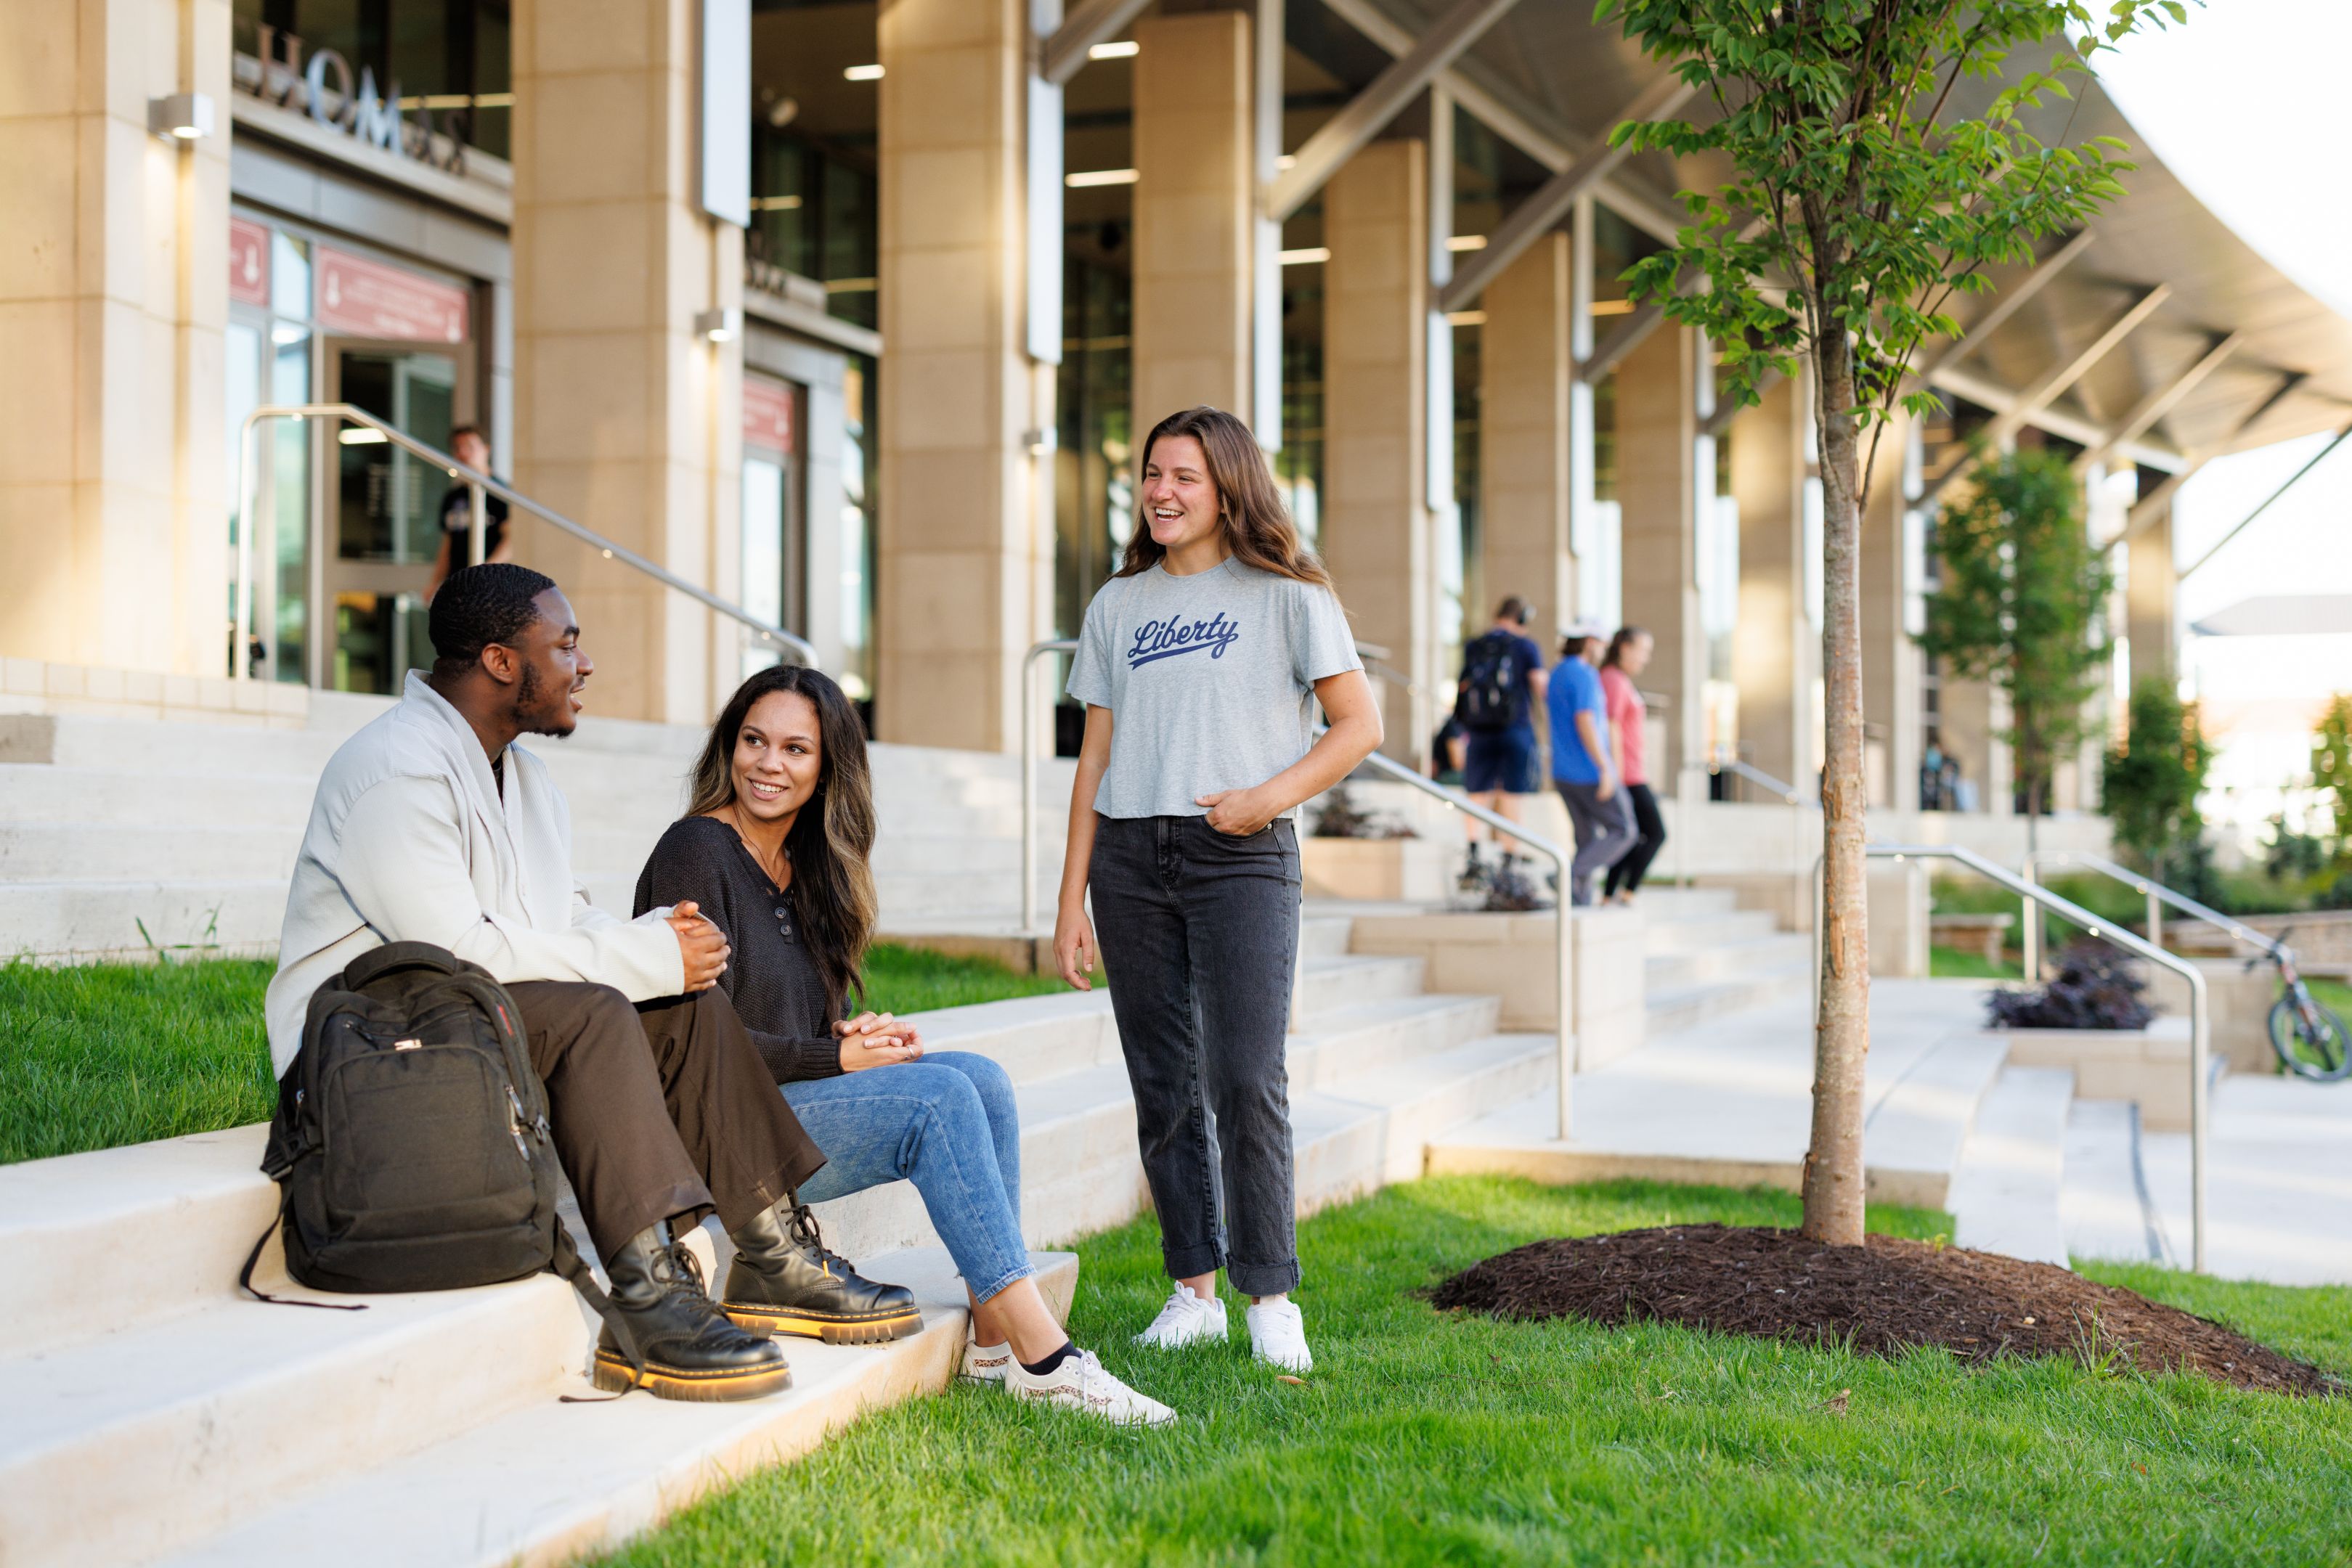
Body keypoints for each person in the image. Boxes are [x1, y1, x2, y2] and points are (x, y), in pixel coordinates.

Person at [264, 562, 912, 1402]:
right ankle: (646, 1301)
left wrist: (666, 941)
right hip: (371, 1053)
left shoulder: (525, 776)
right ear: (503, 663)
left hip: (471, 1028)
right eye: (564, 644)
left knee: (689, 1006)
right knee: (599, 1011)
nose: (583, 663)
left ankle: (775, 1255)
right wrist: (640, 961)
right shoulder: (394, 767)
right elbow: (455, 951)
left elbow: (563, 919)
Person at [633, 663, 1176, 1426]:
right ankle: (1048, 1360)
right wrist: (834, 1060)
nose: (767, 764)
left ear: (826, 769)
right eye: (754, 741)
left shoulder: (807, 866)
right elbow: (694, 1038)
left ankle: (991, 1347)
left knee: (979, 1078)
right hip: (719, 1135)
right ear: (730, 746)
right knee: (939, 1099)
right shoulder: (696, 848)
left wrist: (848, 1036)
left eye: (794, 749)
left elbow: (789, 1023)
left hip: (780, 1106)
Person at [1052, 405, 1383, 1376]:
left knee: (1244, 1078)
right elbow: (1092, 760)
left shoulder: (1286, 596)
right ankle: (1189, 1290)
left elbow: (1357, 724)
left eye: (1182, 476)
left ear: (1228, 487)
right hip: (1127, 859)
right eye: (1151, 473)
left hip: (1238, 854)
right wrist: (1068, 897)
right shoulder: (1117, 606)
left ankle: (1269, 1295)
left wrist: (1262, 799)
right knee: (1162, 1084)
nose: (1160, 491)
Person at [1452, 597, 1550, 896]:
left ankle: (1473, 851)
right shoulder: (1525, 646)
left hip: (1479, 731)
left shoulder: (1475, 645)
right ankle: (1509, 857)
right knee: (1511, 793)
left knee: (1477, 792)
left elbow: (1464, 686)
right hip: (1515, 729)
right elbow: (1540, 686)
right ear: (1522, 619)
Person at [1545, 619, 1635, 907]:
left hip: (1563, 771)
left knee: (1586, 840)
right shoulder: (1582, 674)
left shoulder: (1558, 672)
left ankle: (1579, 901)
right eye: (1601, 644)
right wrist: (1605, 766)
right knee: (1624, 830)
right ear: (1589, 643)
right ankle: (1566, 875)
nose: (1604, 650)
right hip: (1587, 771)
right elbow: (1585, 721)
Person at [1598, 626, 1667, 904]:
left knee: (1632, 835)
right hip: (1627, 775)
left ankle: (1610, 894)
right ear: (1625, 648)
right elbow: (1610, 725)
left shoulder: (1619, 679)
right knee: (1656, 833)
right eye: (1643, 651)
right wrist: (1614, 772)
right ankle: (1626, 892)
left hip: (1632, 772)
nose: (1645, 658)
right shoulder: (1613, 679)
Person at [422, 425, 513, 603]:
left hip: (491, 585)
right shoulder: (453, 496)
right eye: (457, 448)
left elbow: (512, 541)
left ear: (486, 449)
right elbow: (448, 543)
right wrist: (435, 581)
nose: (463, 453)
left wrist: (483, 571)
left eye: (470, 446)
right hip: (458, 583)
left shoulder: (501, 493)